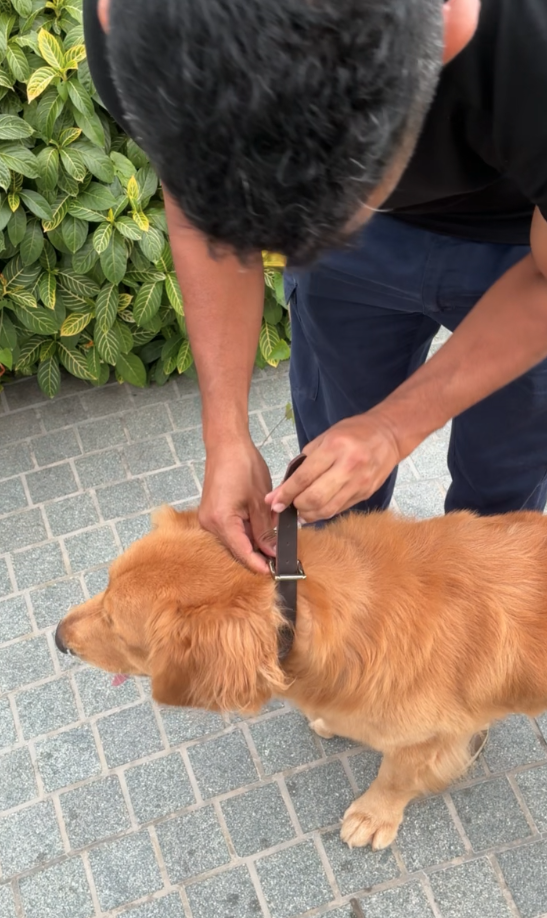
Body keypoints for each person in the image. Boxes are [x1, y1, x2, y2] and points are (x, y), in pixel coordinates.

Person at [85, 0, 547, 575]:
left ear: (453, 22)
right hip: (363, 257)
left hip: (523, 241)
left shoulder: (532, 40)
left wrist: (392, 427)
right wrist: (224, 434)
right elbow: (203, 202)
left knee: (496, 514)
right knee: (331, 488)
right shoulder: (150, 26)